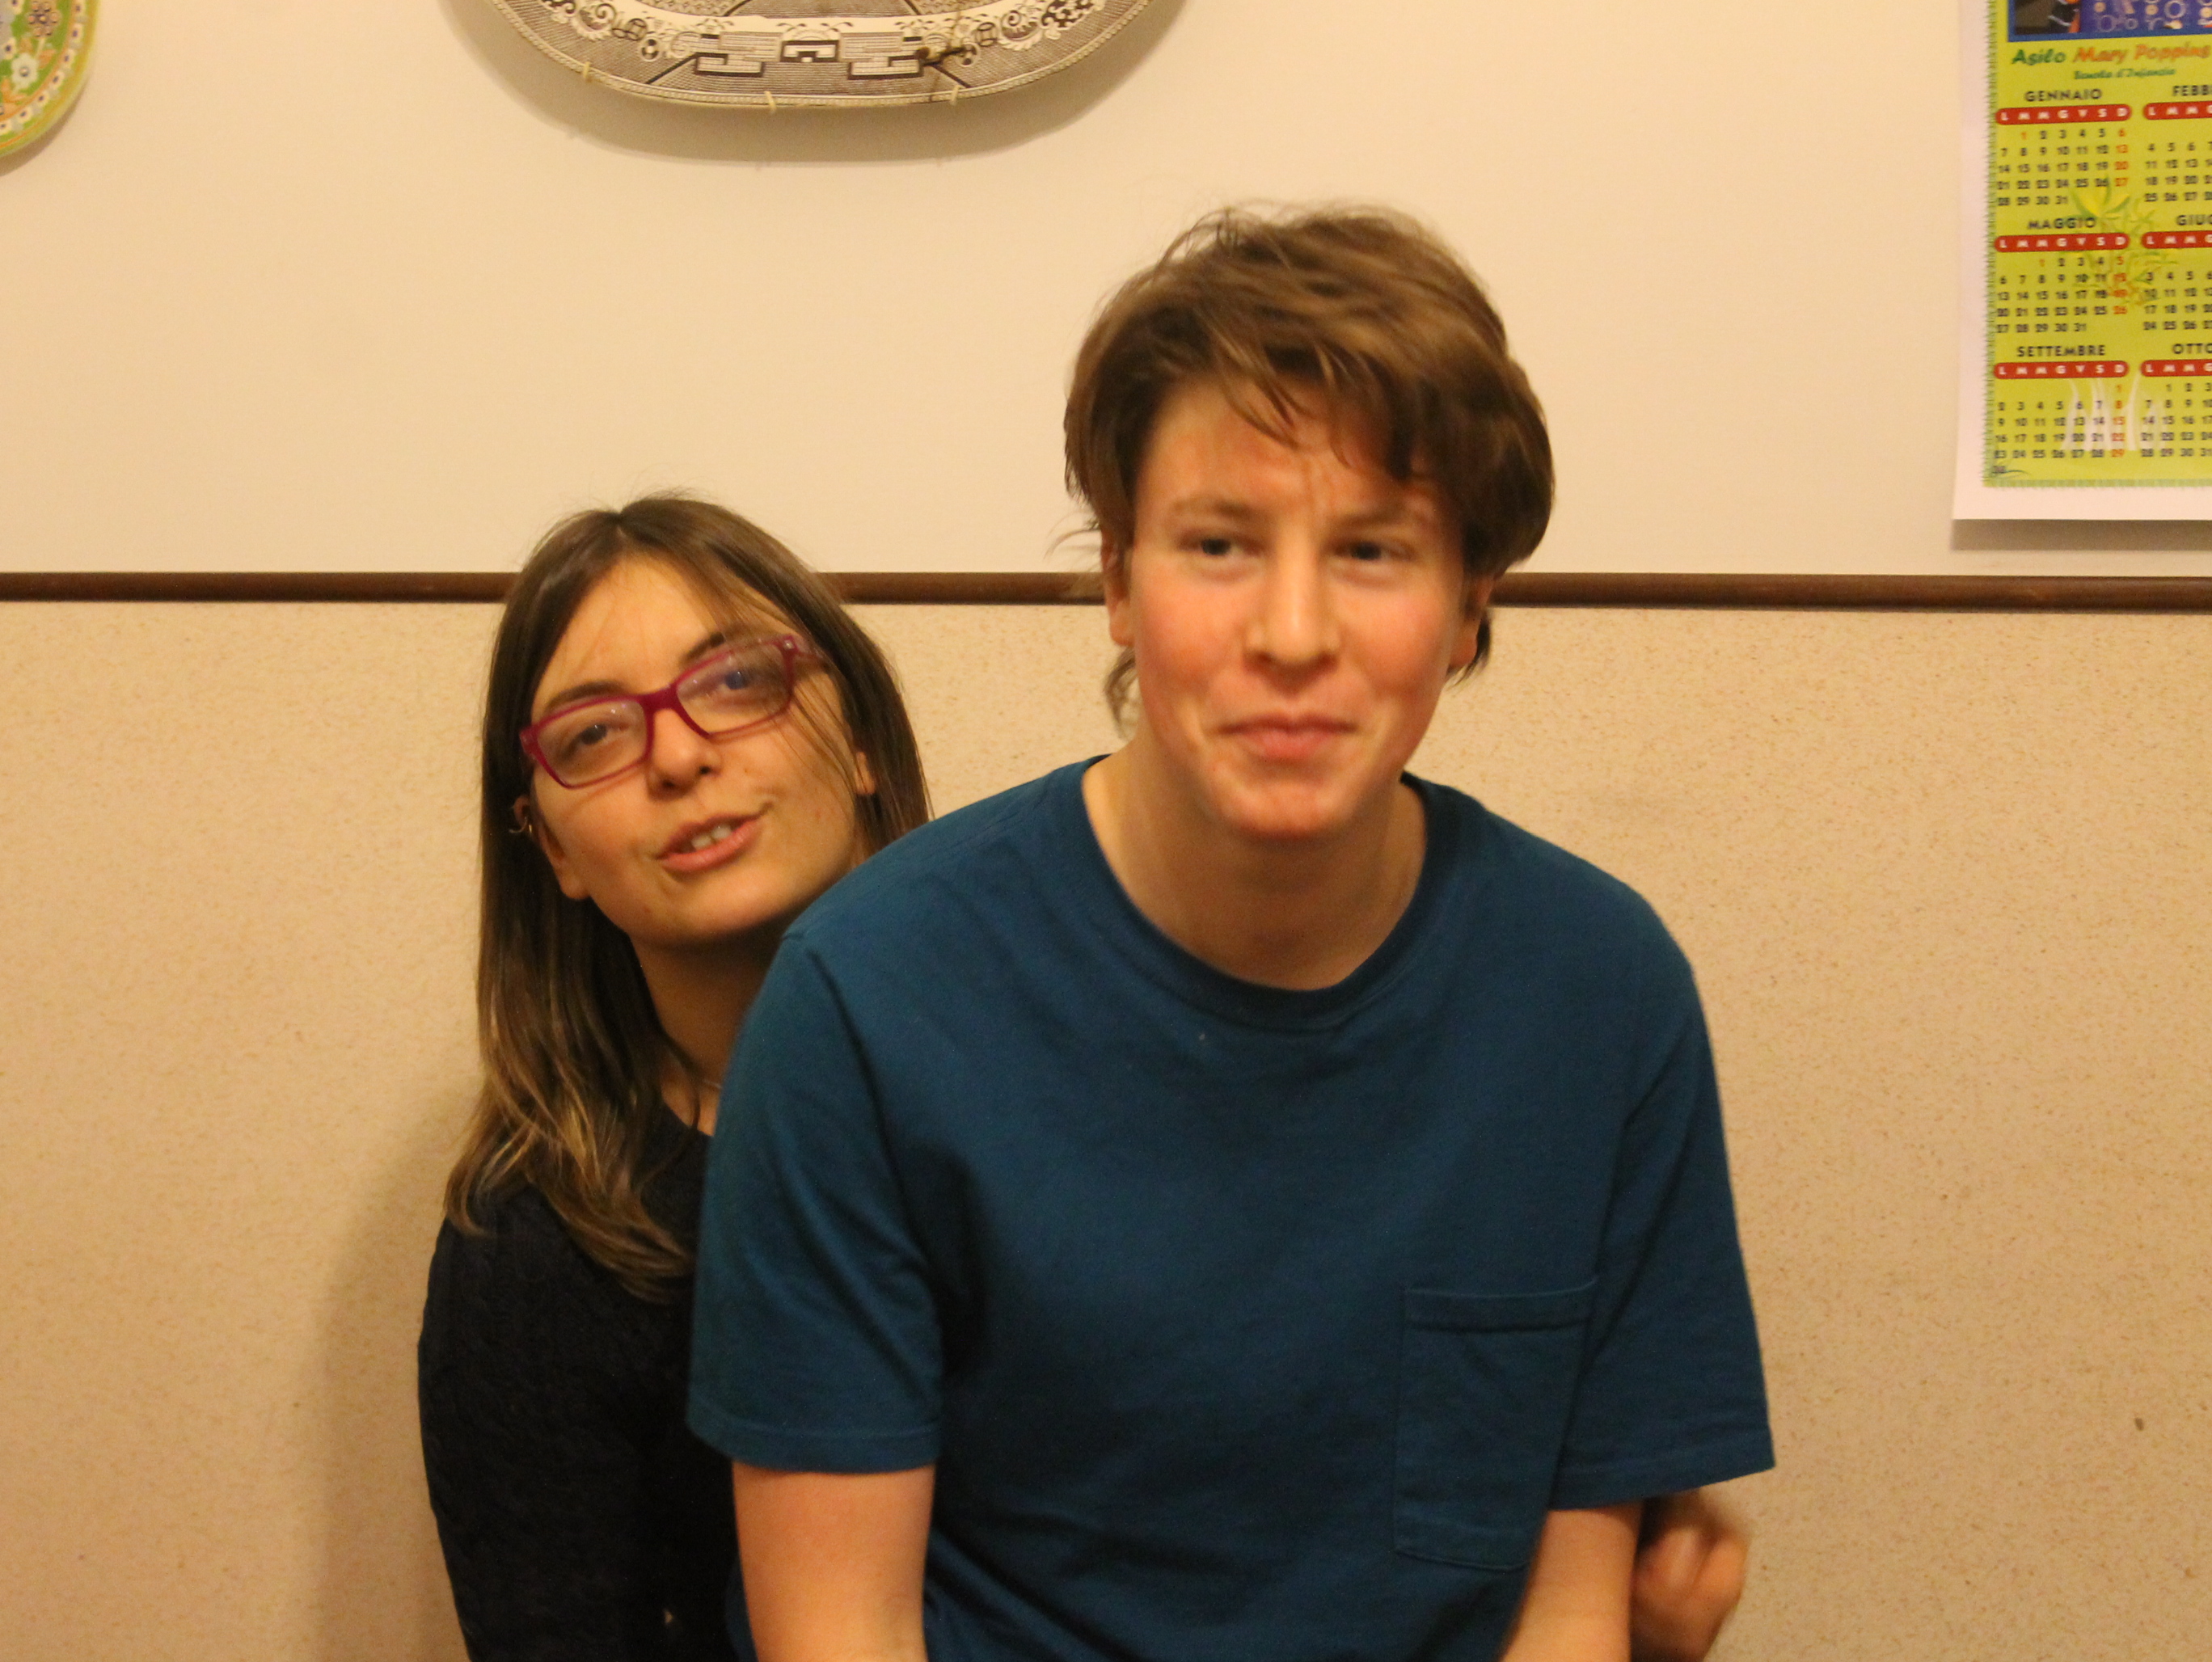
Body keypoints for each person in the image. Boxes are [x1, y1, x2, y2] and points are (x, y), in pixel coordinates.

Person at [689, 207, 1775, 1662]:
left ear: (1469, 607)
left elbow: (1574, 1609)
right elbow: (842, 1632)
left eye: (1374, 550)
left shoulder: (1598, 991)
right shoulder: (868, 1002)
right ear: (1119, 581)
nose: (1292, 634)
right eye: (1218, 544)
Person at [416, 494, 932, 1662]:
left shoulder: (1048, 1077)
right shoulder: (537, 1245)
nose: (681, 756)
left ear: (860, 737)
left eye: (738, 681)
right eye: (595, 734)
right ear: (552, 847)